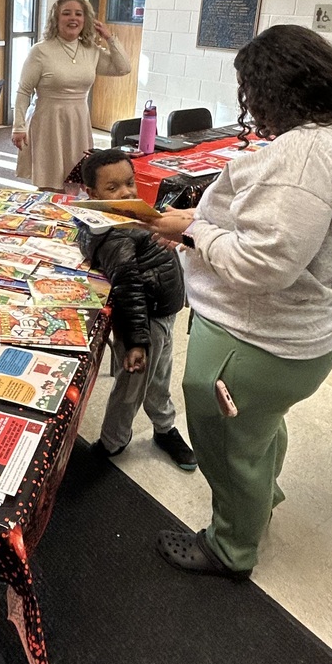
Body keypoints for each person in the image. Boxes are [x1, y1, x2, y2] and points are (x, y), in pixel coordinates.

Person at [149, 24, 332, 580]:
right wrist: (202, 223)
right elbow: (282, 234)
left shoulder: (305, 156)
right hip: (305, 333)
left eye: (249, 90)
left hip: (259, 336)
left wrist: (197, 236)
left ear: (272, 89)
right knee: (259, 427)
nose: (248, 103)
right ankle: (260, 495)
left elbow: (264, 265)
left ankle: (231, 546)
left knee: (228, 440)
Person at [78, 149, 196, 470]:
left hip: (162, 311)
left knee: (159, 374)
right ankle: (113, 441)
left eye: (129, 183)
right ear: (92, 194)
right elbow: (129, 286)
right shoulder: (116, 234)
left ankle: (164, 426)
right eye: (112, 188)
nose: (127, 192)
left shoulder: (131, 215)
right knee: (131, 386)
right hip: (145, 320)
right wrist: (137, 342)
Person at [12, 0, 131, 191]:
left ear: (86, 20)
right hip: (48, 120)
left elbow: (123, 68)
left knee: (76, 179)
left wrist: (109, 38)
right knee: (50, 180)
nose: (73, 18)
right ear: (56, 19)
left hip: (78, 121)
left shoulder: (91, 50)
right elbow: (24, 90)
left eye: (78, 14)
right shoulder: (40, 51)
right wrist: (18, 126)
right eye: (66, 13)